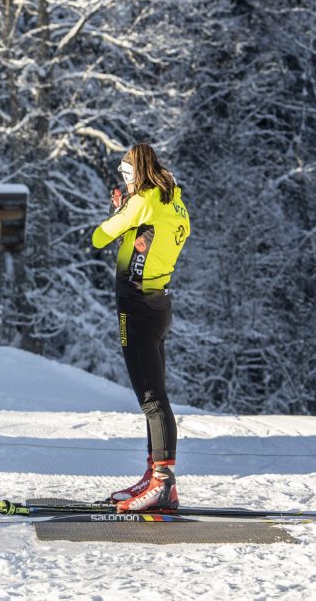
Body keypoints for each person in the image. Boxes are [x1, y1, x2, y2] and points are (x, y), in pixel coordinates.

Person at [92, 143, 190, 512]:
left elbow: (99, 236)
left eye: (125, 177)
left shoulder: (143, 201)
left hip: (135, 304)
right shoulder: (175, 202)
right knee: (156, 395)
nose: (125, 184)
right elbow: (149, 241)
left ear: (134, 175)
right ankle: (155, 476)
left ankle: (163, 484)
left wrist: (120, 211)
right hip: (159, 301)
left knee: (151, 398)